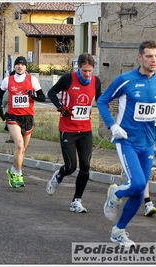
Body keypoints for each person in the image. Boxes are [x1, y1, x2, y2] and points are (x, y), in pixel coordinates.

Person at [97, 40, 156, 247]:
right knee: (139, 184)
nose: (154, 60)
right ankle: (115, 192)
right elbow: (102, 101)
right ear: (139, 58)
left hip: (148, 142)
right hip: (127, 141)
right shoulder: (126, 80)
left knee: (139, 191)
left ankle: (118, 231)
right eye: (149, 56)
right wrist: (112, 125)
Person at [45, 53, 102, 213]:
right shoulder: (68, 79)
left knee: (85, 166)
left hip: (85, 130)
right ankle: (58, 176)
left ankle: (76, 201)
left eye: (90, 71)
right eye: (84, 70)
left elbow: (100, 99)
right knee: (71, 167)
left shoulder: (95, 81)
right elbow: (51, 93)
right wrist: (60, 107)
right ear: (79, 67)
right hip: (68, 130)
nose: (87, 74)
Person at [0, 56, 46, 188]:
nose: (20, 67)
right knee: (19, 144)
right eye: (18, 64)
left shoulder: (32, 79)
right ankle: (18, 174)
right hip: (13, 117)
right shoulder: (8, 80)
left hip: (28, 117)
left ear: (25, 67)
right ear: (15, 67)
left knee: (22, 149)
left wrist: (32, 95)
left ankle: (12, 170)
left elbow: (42, 97)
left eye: (22, 65)